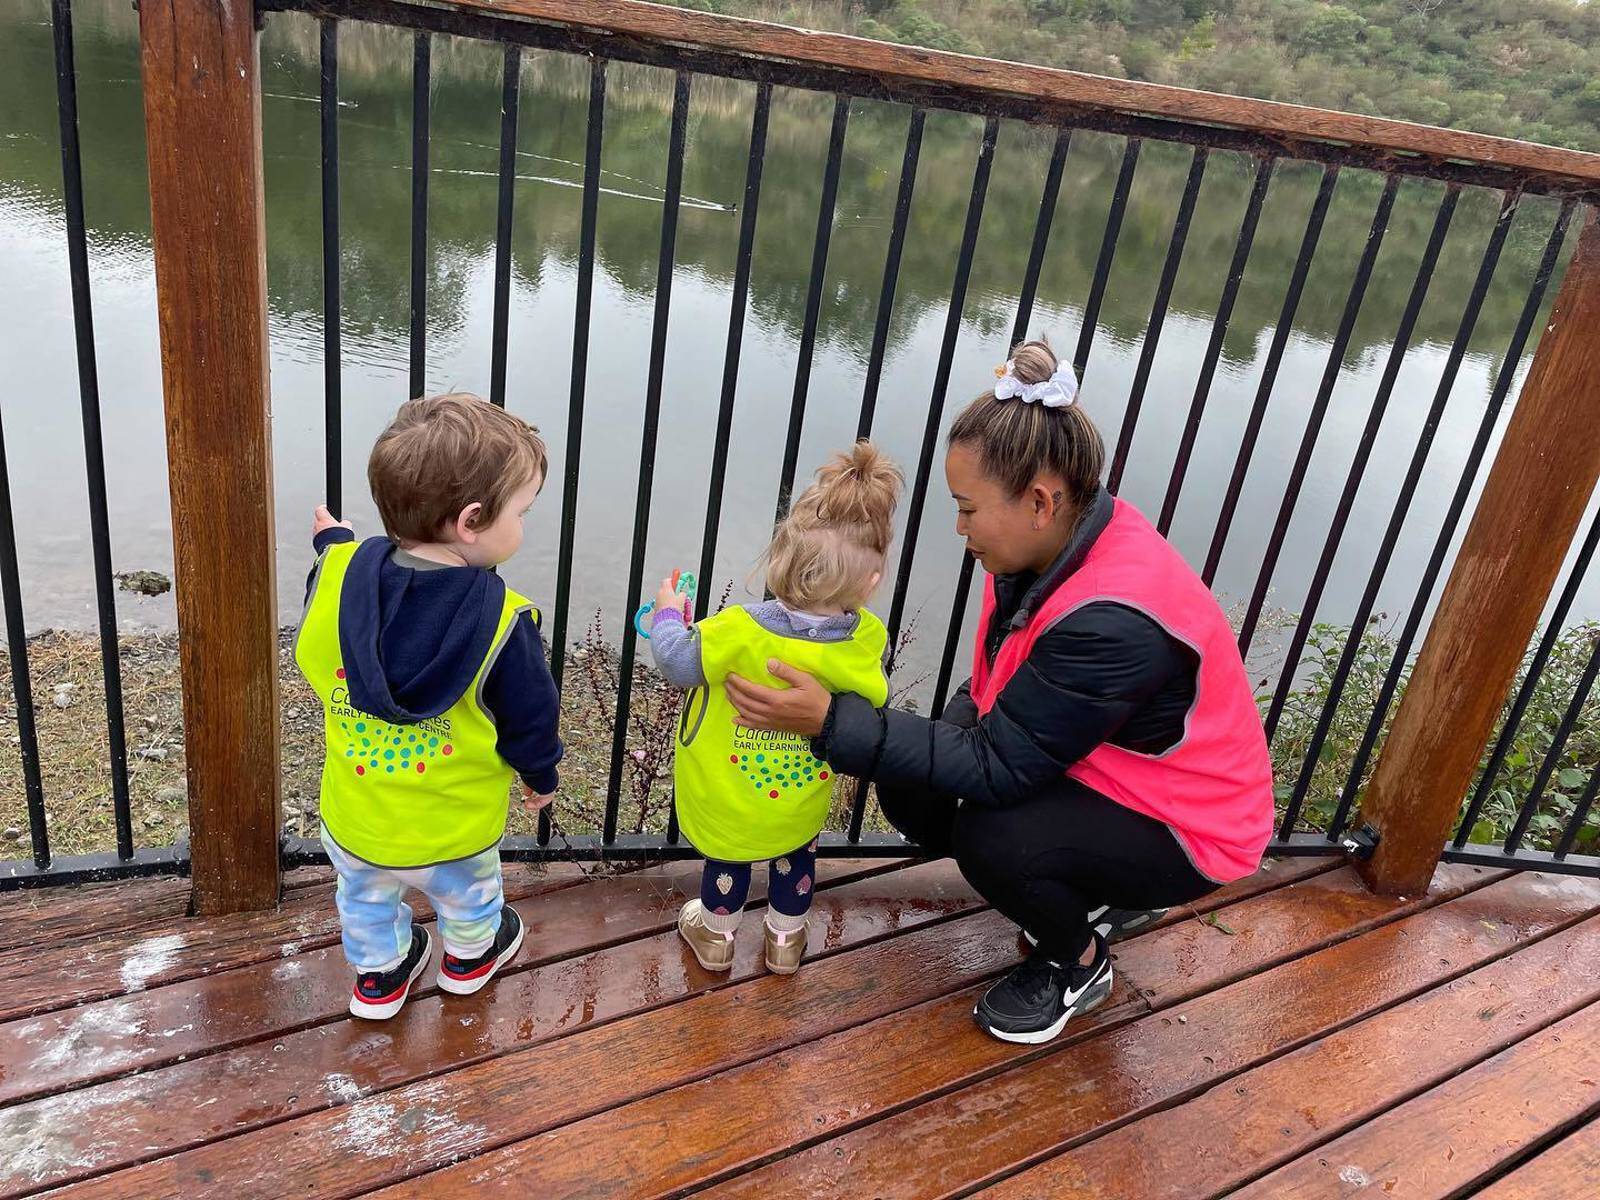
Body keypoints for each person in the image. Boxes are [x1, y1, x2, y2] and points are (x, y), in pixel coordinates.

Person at [725, 341, 1274, 1044]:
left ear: (1039, 501)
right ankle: (1093, 889)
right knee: (914, 788)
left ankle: (1077, 962)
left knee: (994, 837)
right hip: (1111, 772)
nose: (959, 529)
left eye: (967, 508)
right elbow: (998, 688)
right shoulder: (1053, 546)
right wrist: (911, 742)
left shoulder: (1113, 618)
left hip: (1189, 827)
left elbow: (999, 767)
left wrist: (832, 722)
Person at [297, 393, 564, 1020]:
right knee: (470, 896)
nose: (523, 525)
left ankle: (379, 977)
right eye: (522, 511)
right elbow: (529, 717)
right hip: (452, 831)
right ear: (471, 521)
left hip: (358, 821)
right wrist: (541, 774)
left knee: (364, 899)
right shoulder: (504, 622)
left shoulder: (337, 577)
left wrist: (334, 543)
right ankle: (469, 960)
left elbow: (334, 574)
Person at [649, 442, 902, 976]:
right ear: (872, 580)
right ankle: (785, 940)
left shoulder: (737, 631)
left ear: (781, 559)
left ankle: (716, 938)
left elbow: (676, 661)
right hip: (800, 795)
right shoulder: (864, 642)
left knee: (730, 855)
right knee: (795, 855)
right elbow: (875, 698)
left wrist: (668, 616)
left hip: (731, 792)